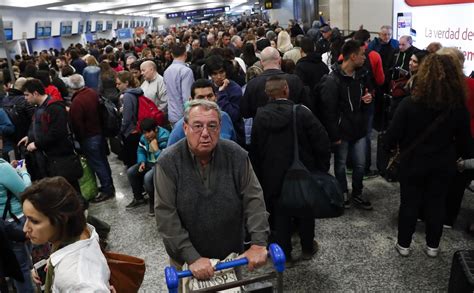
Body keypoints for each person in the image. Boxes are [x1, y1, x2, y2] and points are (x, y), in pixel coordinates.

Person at [155, 99, 270, 280]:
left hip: (229, 255)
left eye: (212, 126)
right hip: (186, 260)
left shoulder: (236, 155)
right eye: (197, 126)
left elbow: (254, 198)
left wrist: (258, 242)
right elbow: (166, 214)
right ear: (185, 128)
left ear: (220, 127)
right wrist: (192, 257)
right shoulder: (168, 161)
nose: (205, 133)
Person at [384, 54, 471, 257]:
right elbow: (467, 145)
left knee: (409, 203)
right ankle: (433, 246)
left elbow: (391, 136)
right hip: (443, 163)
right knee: (437, 203)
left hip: (412, 162)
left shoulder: (409, 103)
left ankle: (404, 245)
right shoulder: (458, 108)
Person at [251, 76, 331, 262]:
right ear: (286, 89)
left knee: (280, 215)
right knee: (305, 211)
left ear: (267, 94)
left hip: (272, 176)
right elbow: (322, 141)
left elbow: (255, 149)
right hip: (303, 171)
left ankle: (284, 253)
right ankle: (307, 247)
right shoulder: (301, 112)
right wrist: (320, 168)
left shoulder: (260, 116)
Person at [22, 177, 110, 291]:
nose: (25, 228)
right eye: (26, 218)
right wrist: (52, 264)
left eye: (34, 221)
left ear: (61, 219)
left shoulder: (78, 281)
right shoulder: (81, 232)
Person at [319, 40, 373, 210]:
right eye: (362, 54)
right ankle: (342, 192)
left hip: (359, 128)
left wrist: (368, 99)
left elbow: (369, 93)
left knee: (360, 165)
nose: (365, 57)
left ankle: (357, 193)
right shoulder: (332, 80)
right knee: (340, 164)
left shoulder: (362, 75)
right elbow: (328, 111)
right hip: (342, 131)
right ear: (353, 56)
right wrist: (334, 135)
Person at [68, 74, 116, 203]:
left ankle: (107, 190)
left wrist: (79, 140)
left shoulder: (77, 102)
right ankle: (109, 185)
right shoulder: (93, 93)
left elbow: (77, 125)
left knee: (97, 163)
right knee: (103, 161)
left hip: (88, 137)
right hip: (99, 133)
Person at [241, 46, 311, 119]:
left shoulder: (252, 84)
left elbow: (245, 112)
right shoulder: (294, 80)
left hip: (263, 126)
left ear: (261, 63)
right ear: (280, 61)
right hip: (292, 126)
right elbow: (306, 106)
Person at [167, 79, 236, 146]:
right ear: (191, 100)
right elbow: (170, 154)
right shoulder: (181, 126)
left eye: (210, 96)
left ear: (216, 97)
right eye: (201, 97)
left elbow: (233, 147)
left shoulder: (225, 118)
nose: (206, 101)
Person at [0, 159, 33, 292]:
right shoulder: (2, 168)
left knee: (12, 266)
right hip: (15, 222)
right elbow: (26, 193)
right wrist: (24, 173)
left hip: (2, 225)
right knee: (22, 268)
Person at [126, 118, 169, 213]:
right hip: (149, 162)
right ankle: (138, 198)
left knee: (148, 178)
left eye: (149, 132)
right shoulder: (144, 138)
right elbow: (140, 150)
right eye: (144, 133)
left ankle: (154, 202)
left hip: (160, 165)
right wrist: (142, 162)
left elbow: (166, 159)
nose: (146, 135)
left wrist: (157, 149)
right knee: (131, 172)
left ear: (156, 129)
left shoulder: (165, 137)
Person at [116, 71, 143, 168]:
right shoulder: (136, 91)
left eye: (119, 83)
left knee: (132, 162)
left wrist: (121, 130)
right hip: (137, 129)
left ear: (126, 83)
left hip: (130, 131)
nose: (117, 86)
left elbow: (127, 118)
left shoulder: (127, 96)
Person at [163, 44, 195, 125]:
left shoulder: (167, 71)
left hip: (172, 114)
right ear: (185, 54)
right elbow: (187, 97)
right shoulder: (186, 71)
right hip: (183, 116)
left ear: (172, 55)